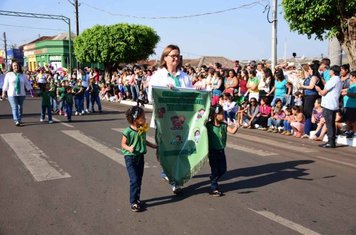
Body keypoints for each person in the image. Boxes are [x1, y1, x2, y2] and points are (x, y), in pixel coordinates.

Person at [148, 44, 196, 194]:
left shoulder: (184, 76)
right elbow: (151, 97)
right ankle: (167, 170)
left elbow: (190, 96)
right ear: (165, 58)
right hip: (164, 120)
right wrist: (165, 92)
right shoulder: (158, 76)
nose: (176, 58)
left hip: (182, 121)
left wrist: (198, 90)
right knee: (166, 148)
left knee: (179, 148)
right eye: (173, 55)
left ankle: (176, 179)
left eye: (178, 56)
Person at [121, 106, 158, 212]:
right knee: (134, 180)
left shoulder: (142, 129)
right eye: (143, 117)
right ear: (135, 119)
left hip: (140, 157)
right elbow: (123, 144)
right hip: (130, 158)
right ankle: (133, 202)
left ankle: (137, 199)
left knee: (139, 180)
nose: (145, 119)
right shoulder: (128, 131)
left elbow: (143, 141)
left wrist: (153, 146)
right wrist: (129, 148)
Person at [206, 104, 239, 196]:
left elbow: (232, 131)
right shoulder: (208, 126)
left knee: (223, 170)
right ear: (215, 115)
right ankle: (214, 188)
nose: (223, 115)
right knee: (215, 169)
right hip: (212, 151)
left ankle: (213, 178)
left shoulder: (224, 125)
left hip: (221, 151)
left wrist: (236, 126)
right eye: (221, 114)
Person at [315, 65, 343, 148]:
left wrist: (318, 89)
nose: (329, 72)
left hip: (329, 105)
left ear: (333, 71)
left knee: (329, 124)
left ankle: (331, 142)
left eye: (330, 70)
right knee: (331, 123)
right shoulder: (338, 80)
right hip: (333, 104)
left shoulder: (334, 79)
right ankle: (331, 141)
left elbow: (323, 92)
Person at [2, 61, 33, 126]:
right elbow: (5, 84)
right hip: (11, 94)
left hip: (21, 94)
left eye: (17, 65)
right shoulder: (9, 74)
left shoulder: (23, 75)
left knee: (20, 107)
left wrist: (31, 92)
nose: (16, 67)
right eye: (14, 65)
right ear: (12, 67)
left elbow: (27, 83)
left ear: (19, 66)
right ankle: (16, 120)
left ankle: (19, 119)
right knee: (15, 107)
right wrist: (3, 92)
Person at [342, 70, 356, 139]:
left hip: (353, 106)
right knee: (348, 120)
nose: (349, 77)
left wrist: (346, 93)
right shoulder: (352, 85)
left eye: (350, 76)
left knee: (353, 121)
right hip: (348, 106)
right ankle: (348, 132)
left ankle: (354, 132)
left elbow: (354, 95)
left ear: (354, 77)